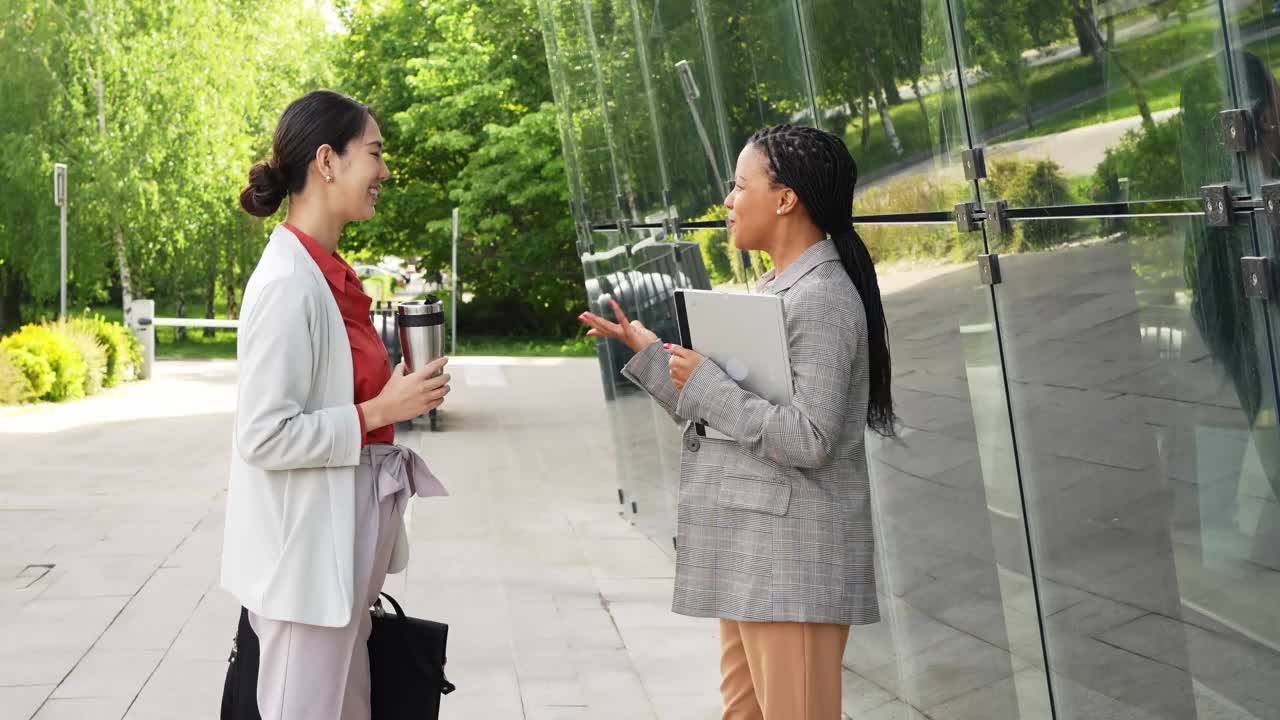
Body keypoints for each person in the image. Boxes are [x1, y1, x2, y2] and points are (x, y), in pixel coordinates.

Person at [580, 124, 894, 719]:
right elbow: (726, 416)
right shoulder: (776, 287)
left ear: (785, 199)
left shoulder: (822, 297)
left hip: (792, 563)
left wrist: (705, 382)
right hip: (753, 553)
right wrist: (654, 357)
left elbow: (810, 438)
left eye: (738, 185)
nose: (727, 201)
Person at [219, 89, 451, 720]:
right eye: (373, 153)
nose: (383, 171)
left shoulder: (329, 273)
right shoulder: (288, 282)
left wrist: (394, 391)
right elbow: (263, 435)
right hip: (303, 577)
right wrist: (378, 411)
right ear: (327, 161)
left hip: (340, 566)